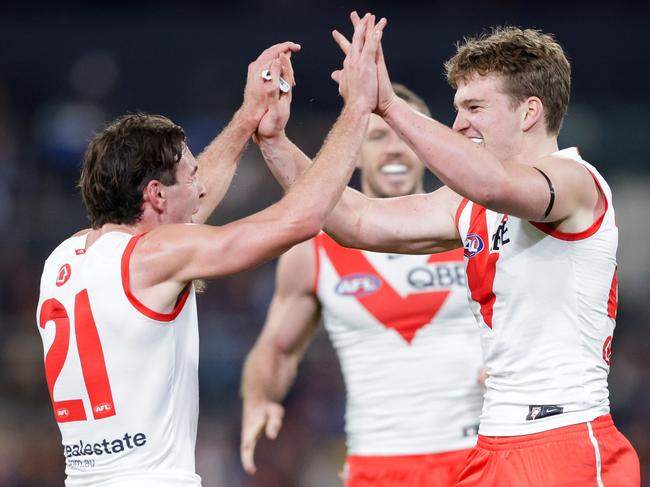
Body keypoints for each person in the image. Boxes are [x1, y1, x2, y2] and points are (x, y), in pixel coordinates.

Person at [256, 13, 640, 487]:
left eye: (474, 107)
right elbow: (355, 221)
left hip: (566, 443)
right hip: (492, 448)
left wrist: (389, 106)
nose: (458, 124)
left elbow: (495, 183)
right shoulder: (470, 204)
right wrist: (274, 142)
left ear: (529, 112)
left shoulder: (575, 182)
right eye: (457, 109)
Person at [35, 15, 386, 486]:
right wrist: (358, 109)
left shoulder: (65, 258)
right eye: (190, 175)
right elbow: (299, 219)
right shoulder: (153, 258)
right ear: (156, 195)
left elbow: (184, 215)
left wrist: (246, 119)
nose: (202, 190)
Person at [240, 83, 484, 486]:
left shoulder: (475, 230)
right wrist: (259, 399)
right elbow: (277, 348)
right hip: (379, 463)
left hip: (478, 456)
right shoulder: (314, 251)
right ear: (352, 155)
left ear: (429, 146)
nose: (393, 149)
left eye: (406, 136)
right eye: (377, 137)